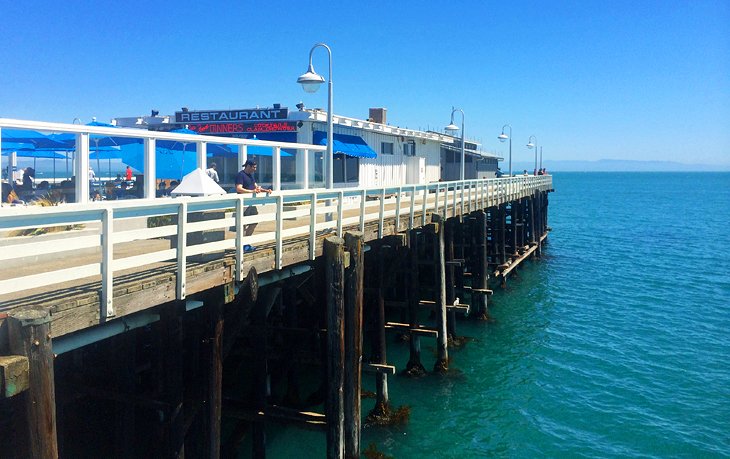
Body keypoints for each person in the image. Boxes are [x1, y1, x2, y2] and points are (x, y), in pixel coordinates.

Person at [236, 159, 271, 239]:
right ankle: (242, 244)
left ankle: (246, 241)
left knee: (254, 221)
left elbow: (256, 187)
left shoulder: (251, 176)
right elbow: (238, 188)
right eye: (254, 167)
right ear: (248, 166)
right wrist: (252, 191)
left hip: (251, 203)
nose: (255, 169)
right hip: (243, 203)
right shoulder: (240, 175)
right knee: (243, 224)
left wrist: (266, 190)